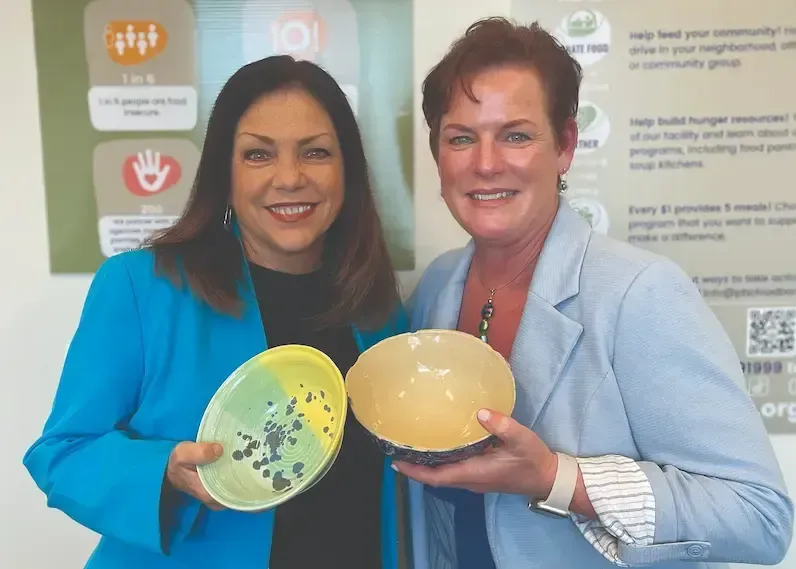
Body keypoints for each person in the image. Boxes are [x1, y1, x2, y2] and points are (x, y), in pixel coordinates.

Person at [397, 17, 793, 569]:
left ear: (564, 146)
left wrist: (555, 478)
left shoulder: (639, 294)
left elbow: (760, 516)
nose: (485, 163)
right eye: (461, 137)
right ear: (438, 153)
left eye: (516, 134)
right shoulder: (437, 287)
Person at [23, 55, 410, 569]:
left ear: (348, 171)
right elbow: (62, 453)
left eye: (316, 152)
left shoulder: (376, 307)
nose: (289, 178)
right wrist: (161, 470)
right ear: (223, 174)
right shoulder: (142, 287)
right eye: (258, 155)